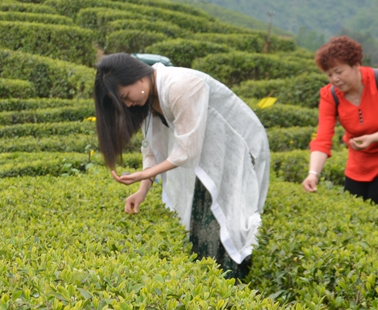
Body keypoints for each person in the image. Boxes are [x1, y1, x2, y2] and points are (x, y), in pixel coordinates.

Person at [94, 53, 270, 279]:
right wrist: (141, 191)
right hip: (210, 159)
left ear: (137, 76)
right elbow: (152, 150)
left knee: (230, 219)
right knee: (203, 219)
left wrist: (146, 173)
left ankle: (235, 284)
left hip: (239, 152)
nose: (129, 104)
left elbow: (187, 150)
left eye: (126, 96)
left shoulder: (181, 85)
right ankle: (213, 284)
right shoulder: (148, 99)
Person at [302, 36, 378, 206]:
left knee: (377, 208)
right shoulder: (330, 96)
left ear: (355, 66)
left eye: (339, 72)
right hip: (360, 160)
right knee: (352, 208)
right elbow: (322, 138)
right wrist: (313, 174)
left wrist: (372, 138)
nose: (334, 79)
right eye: (329, 74)